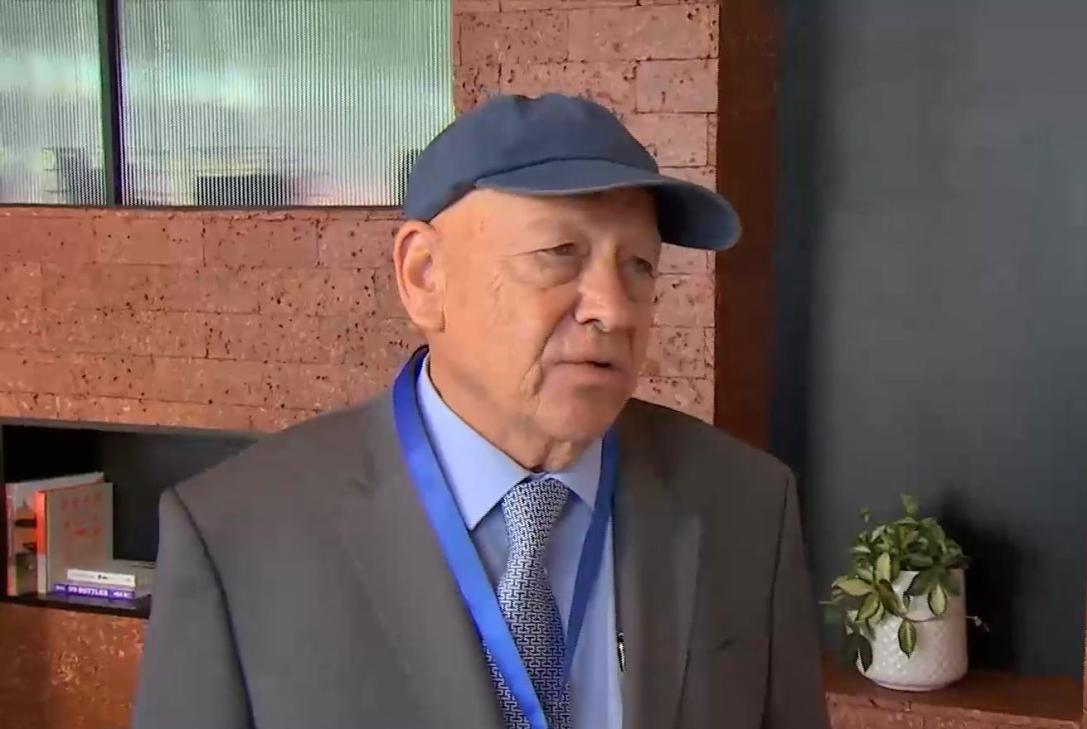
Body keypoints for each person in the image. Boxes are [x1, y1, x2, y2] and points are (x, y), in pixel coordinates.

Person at [132, 93, 831, 729]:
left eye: (639, 266)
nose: (614, 310)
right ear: (424, 276)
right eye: (560, 253)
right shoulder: (238, 538)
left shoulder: (745, 506)